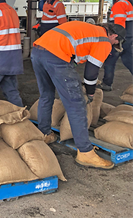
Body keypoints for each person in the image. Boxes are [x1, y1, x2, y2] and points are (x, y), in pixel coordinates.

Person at [31, 21, 125, 169]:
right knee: (76, 104)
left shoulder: (90, 30)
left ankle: (45, 134)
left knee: (46, 95)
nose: (113, 45)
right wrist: (90, 93)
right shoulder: (104, 40)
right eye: (116, 42)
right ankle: (85, 152)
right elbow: (91, 73)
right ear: (113, 35)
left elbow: (74, 55)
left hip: (38, 51)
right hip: (56, 56)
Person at [100, 0, 133, 91]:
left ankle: (107, 84)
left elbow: (119, 25)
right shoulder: (130, 2)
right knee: (129, 60)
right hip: (129, 37)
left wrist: (116, 39)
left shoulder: (120, 4)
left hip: (120, 38)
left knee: (110, 60)